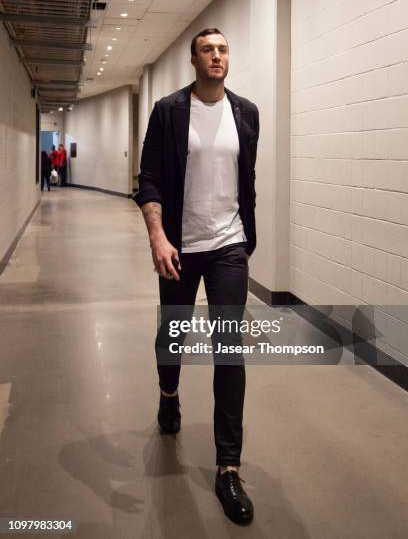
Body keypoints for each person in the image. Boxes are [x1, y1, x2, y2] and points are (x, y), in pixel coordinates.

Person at [134, 28, 259, 525]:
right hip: (180, 247)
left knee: (230, 348)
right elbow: (149, 178)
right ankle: (169, 394)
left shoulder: (246, 112)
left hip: (228, 245)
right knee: (174, 332)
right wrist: (158, 237)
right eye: (207, 49)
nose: (217, 56)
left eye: (223, 49)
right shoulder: (168, 111)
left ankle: (228, 466)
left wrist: (246, 237)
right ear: (193, 59)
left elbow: (244, 176)